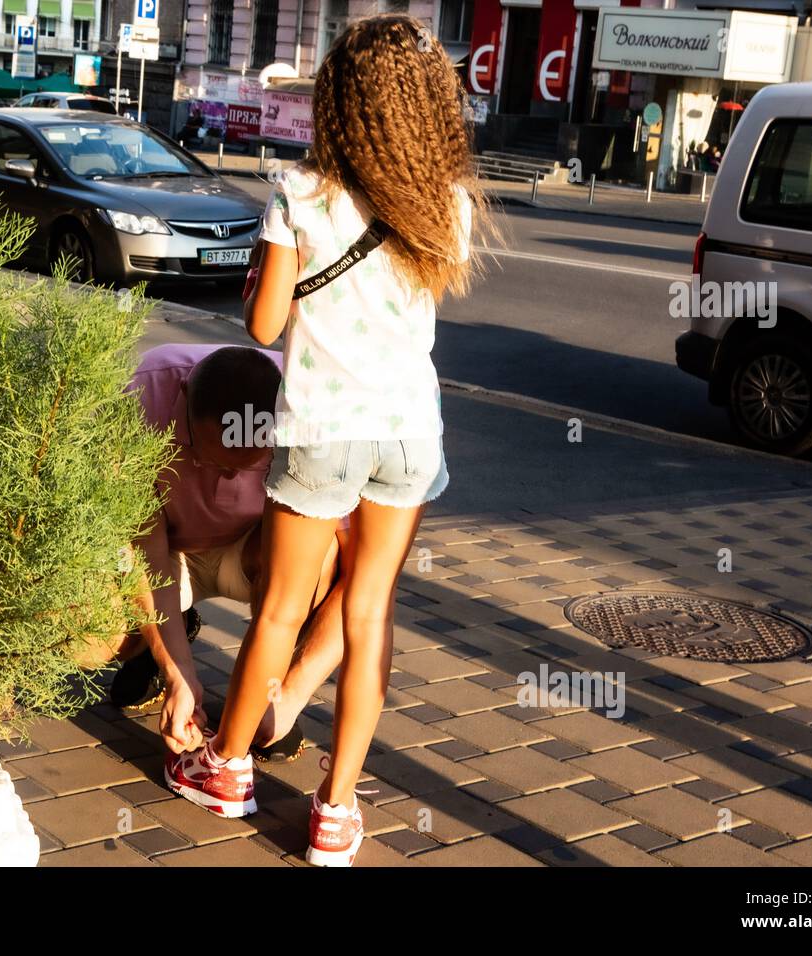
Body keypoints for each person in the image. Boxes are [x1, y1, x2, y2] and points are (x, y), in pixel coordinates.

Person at [163, 14, 488, 867]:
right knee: (371, 611)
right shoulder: (445, 202)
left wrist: (272, 279)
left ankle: (227, 768)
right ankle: (336, 814)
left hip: (322, 429)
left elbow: (265, 323)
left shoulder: (300, 193)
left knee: (280, 608)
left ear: (339, 104)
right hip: (409, 430)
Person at [86, 344, 349, 761]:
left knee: (321, 555)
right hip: (167, 550)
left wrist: (290, 696)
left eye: (249, 465)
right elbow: (144, 549)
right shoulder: (141, 395)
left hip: (253, 551)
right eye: (210, 459)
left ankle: (267, 693)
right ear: (185, 398)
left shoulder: (312, 408)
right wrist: (180, 673)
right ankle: (163, 644)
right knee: (87, 637)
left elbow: (364, 585)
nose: (227, 478)